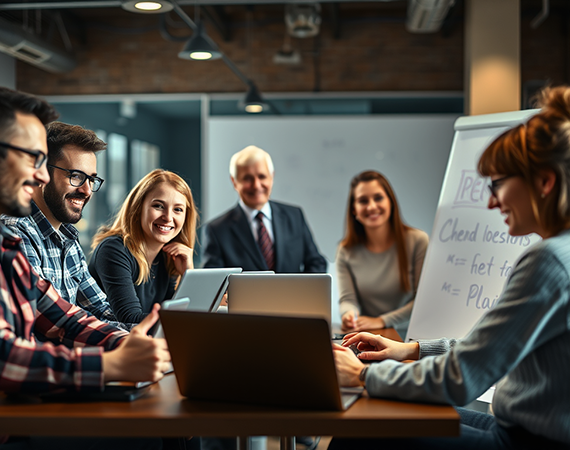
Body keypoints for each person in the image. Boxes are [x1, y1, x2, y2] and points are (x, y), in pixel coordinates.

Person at [331, 85, 570, 449]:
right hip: (514, 428)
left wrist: (364, 374)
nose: (492, 202)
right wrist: (409, 350)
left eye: (498, 185)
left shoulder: (549, 261)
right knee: (375, 411)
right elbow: (490, 347)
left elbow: (461, 377)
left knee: (362, 428)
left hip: (523, 441)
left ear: (545, 182)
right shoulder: (559, 252)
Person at [0, 85, 167, 449]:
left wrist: (133, 344)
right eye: (33, 158)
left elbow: (64, 316)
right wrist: (111, 366)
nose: (42, 177)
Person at [1, 121, 127, 329]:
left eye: (91, 180)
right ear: (40, 174)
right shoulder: (16, 232)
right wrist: (132, 337)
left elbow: (100, 309)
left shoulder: (68, 239)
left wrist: (150, 330)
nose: (86, 191)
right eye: (76, 176)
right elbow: (50, 319)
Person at [89, 169, 198, 324]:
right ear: (139, 207)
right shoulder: (113, 250)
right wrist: (194, 319)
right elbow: (130, 319)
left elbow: (170, 315)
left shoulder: (168, 257)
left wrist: (188, 274)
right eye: (159, 206)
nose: (168, 217)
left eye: (178, 209)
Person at [202, 145, 326, 273]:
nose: (256, 185)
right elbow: (214, 282)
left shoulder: (294, 216)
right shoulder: (217, 230)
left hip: (294, 293)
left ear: (272, 177)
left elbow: (316, 262)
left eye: (262, 176)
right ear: (234, 181)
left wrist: (303, 291)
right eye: (247, 178)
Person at [336, 171, 428, 338]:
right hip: (367, 336)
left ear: (390, 202)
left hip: (411, 338)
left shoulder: (418, 241)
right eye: (363, 201)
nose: (371, 206)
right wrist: (349, 315)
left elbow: (422, 301)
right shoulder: (346, 250)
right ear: (354, 210)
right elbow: (347, 300)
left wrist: (382, 320)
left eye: (378, 198)